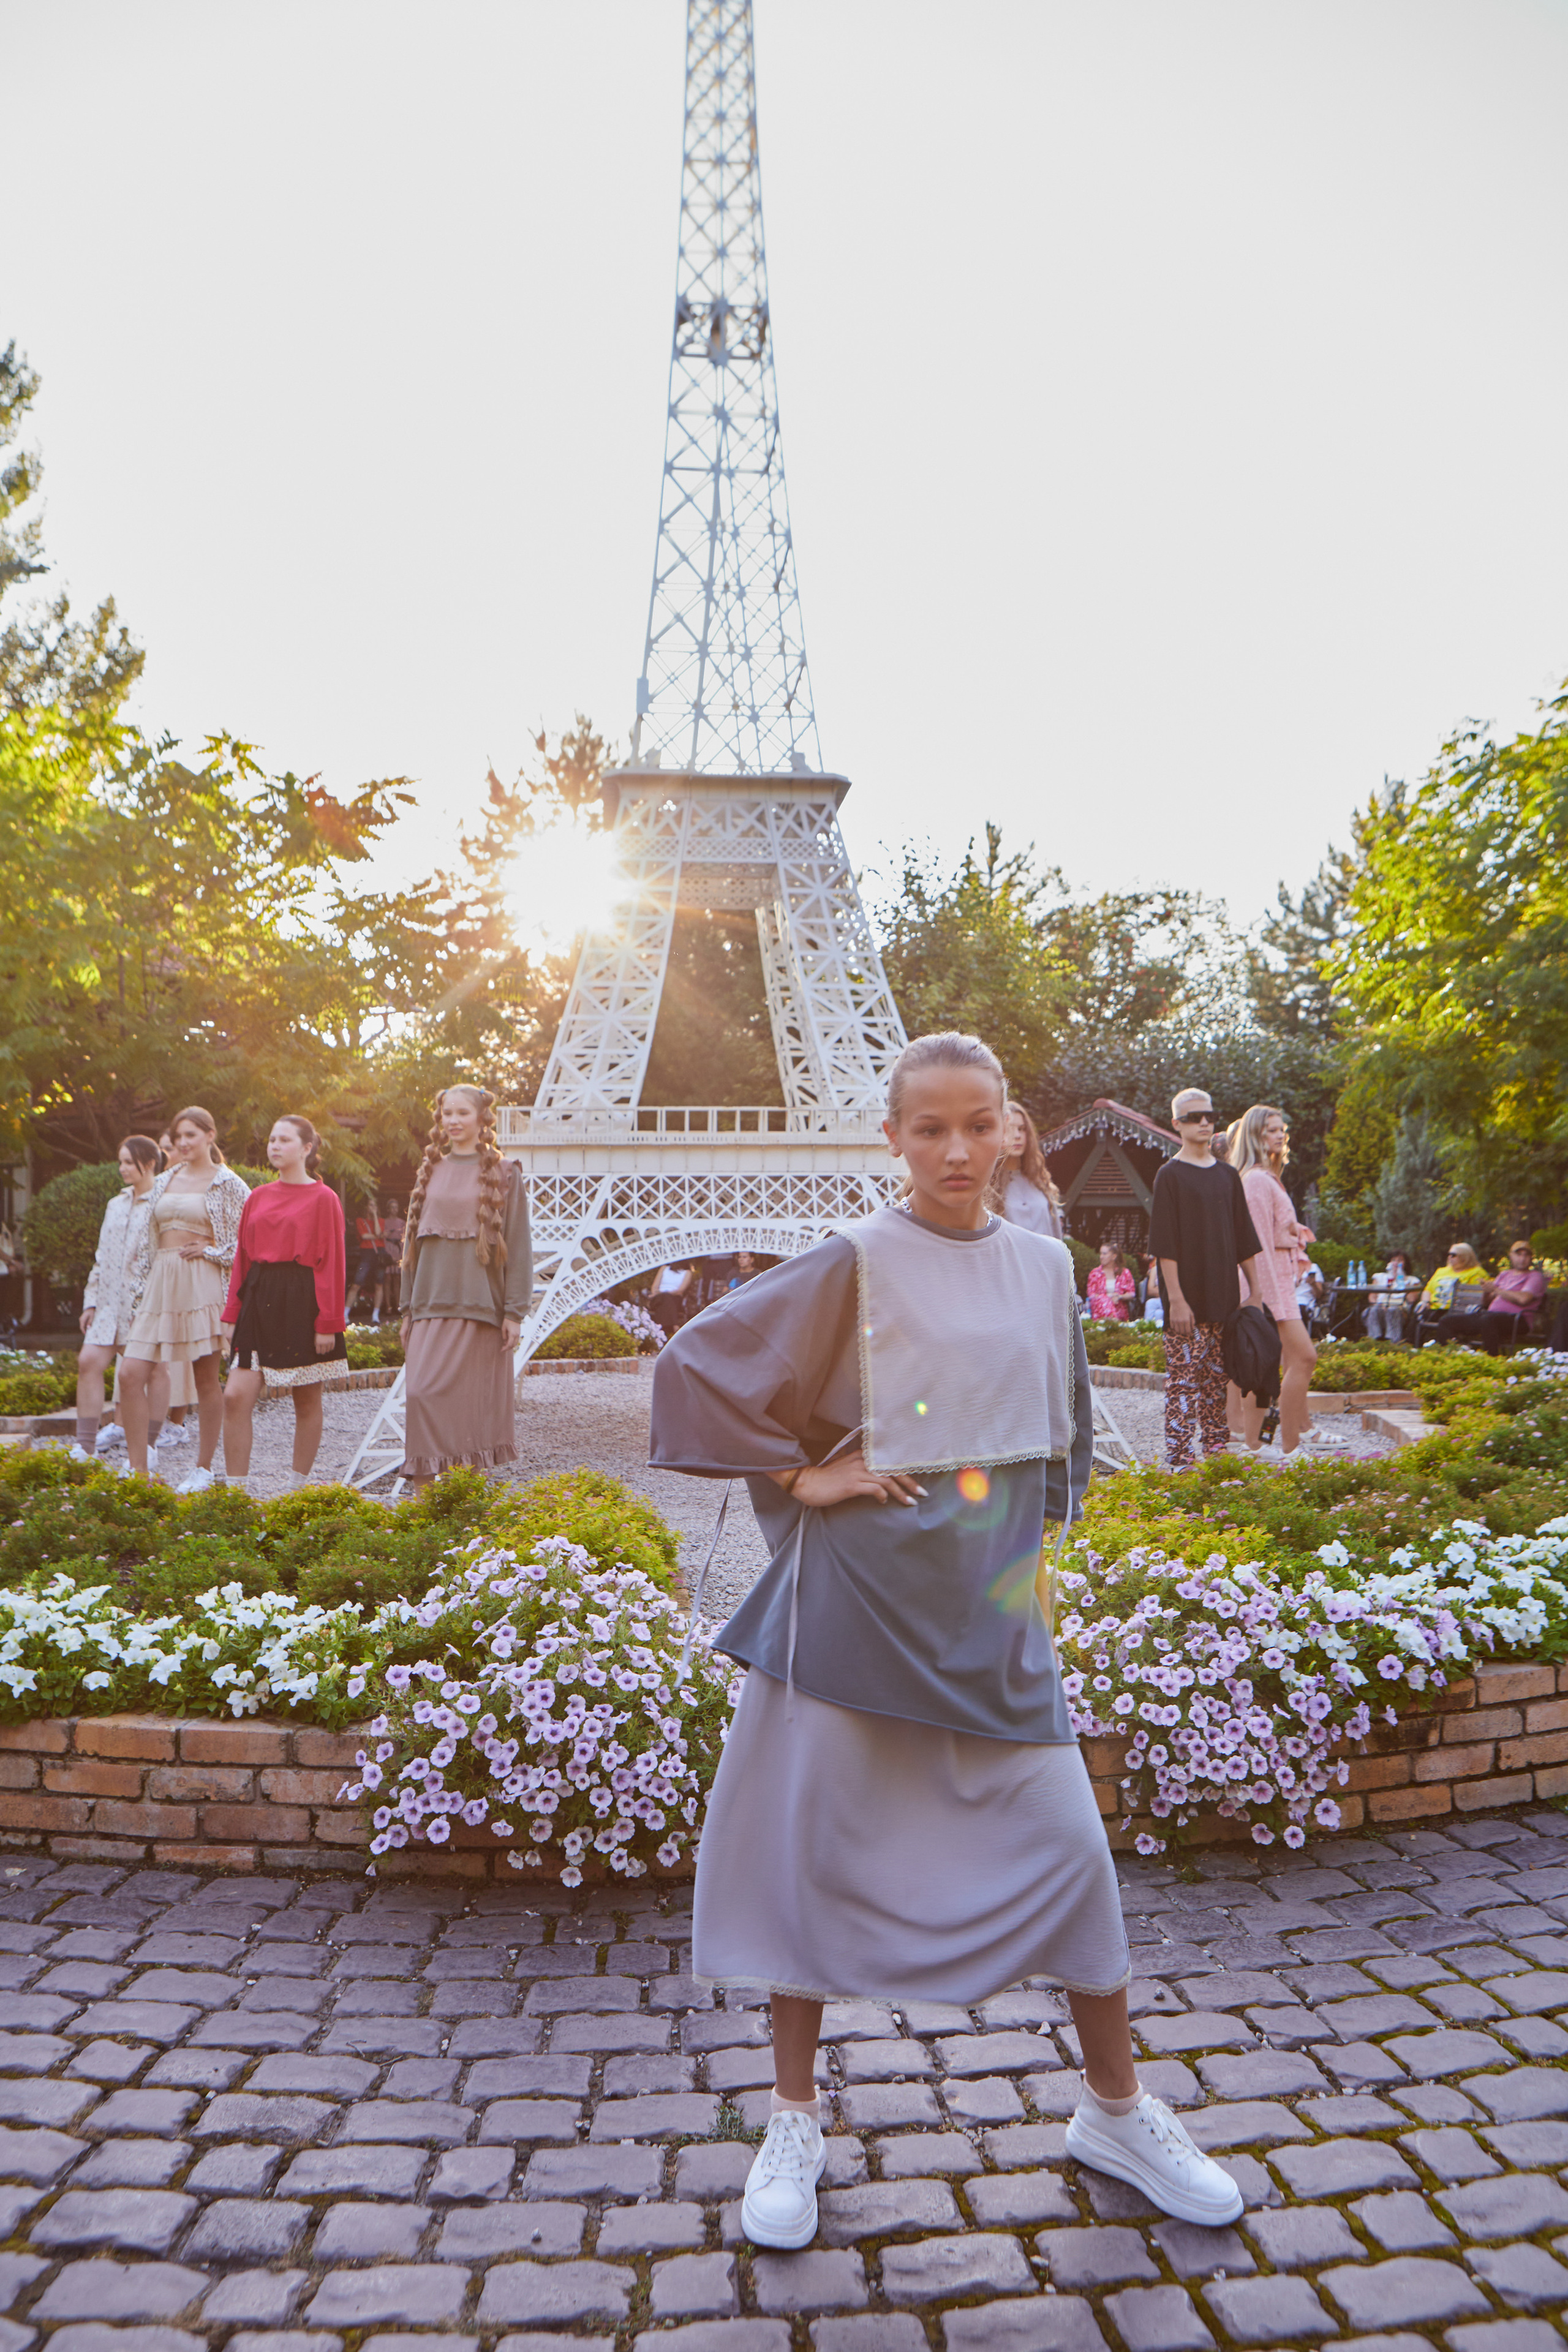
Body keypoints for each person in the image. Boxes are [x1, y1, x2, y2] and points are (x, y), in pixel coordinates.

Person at [650, 1029, 1244, 2253]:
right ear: (892, 1138)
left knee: (1074, 1861)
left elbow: (1062, 1425)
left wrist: (1027, 1569)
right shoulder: (851, 1259)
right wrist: (801, 1475)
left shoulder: (1042, 1264)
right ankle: (793, 2115)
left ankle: (1115, 2113)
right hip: (850, 1615)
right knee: (810, 1863)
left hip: (988, 1619)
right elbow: (698, 1362)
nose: (957, 1150)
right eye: (929, 1128)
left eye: (979, 1124)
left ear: (1011, 1129)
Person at [399, 1085, 531, 1490]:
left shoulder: (505, 1174)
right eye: (447, 1114)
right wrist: (407, 1308)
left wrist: (513, 1312)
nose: (453, 1121)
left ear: (480, 1119)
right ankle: (422, 1511)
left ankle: (466, 1511)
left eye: (462, 1113)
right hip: (429, 1307)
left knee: (469, 1412)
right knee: (420, 1396)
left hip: (480, 1310)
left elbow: (519, 1246)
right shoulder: (429, 1171)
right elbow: (411, 1246)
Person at [120, 1107, 249, 1491]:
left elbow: (246, 1243)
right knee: (130, 1374)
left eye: (191, 1135)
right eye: (179, 1137)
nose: (183, 1143)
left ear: (211, 1136)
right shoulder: (163, 1180)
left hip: (202, 1284)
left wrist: (211, 1253)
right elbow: (147, 1239)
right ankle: (138, 1470)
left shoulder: (229, 1183)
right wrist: (137, 1291)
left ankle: (203, 1469)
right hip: (161, 1282)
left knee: (206, 1379)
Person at [220, 1116, 347, 1494]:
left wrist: (328, 1322)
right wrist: (230, 1314)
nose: (275, 1146)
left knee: (306, 1399)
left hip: (302, 1301)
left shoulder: (325, 1199)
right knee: (235, 1395)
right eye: (272, 1139)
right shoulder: (257, 1196)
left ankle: (296, 1491)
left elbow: (333, 1263)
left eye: (285, 1140)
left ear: (307, 1148)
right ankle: (235, 1496)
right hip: (258, 1299)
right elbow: (242, 1259)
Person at [1149, 1090, 1265, 1470]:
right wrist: (1177, 1300)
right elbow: (1164, 1246)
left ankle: (1216, 1460)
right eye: (1194, 1116)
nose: (1204, 1122)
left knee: (1217, 1383)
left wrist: (1256, 1291)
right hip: (1187, 1303)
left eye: (1210, 1116)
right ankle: (1181, 1461)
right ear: (1177, 1124)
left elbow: (1245, 1240)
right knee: (1183, 1384)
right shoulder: (1169, 1177)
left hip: (1226, 1300)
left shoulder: (1228, 1176)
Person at [1227, 1104, 1329, 1457]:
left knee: (1274, 1366)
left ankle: (1268, 1447)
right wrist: (1261, 1297)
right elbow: (1254, 1243)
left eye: (1281, 1128)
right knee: (1301, 1358)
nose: (1280, 1135)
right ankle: (1284, 1448)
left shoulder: (1267, 1177)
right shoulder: (1255, 1180)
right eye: (1272, 1130)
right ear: (1255, 1135)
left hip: (1278, 1286)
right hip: (1269, 1290)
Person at [72, 1136, 165, 1462]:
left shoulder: (163, 1202)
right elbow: (102, 1258)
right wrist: (91, 1302)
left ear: (150, 1163)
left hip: (146, 1306)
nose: (122, 1168)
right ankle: (85, 1448)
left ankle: (149, 1447)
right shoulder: (116, 1204)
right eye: (121, 1161)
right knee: (88, 1363)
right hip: (109, 1305)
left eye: (129, 1162)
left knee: (153, 1372)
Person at [992, 1101, 1065, 1237]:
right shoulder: (988, 1186)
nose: (1017, 1135)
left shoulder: (1040, 1181)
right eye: (1010, 1129)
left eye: (1022, 1129)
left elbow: (1057, 1237)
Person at [1477, 1242, 1548, 1355]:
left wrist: (1496, 1290)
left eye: (1526, 1255)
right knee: (1448, 1321)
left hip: (1518, 1320)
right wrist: (1487, 1291)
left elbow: (1524, 1299)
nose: (1522, 1259)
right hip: (1490, 1317)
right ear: (1511, 1256)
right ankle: (1450, 1363)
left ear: (1530, 1258)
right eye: (1519, 1255)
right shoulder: (1504, 1275)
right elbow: (1486, 1304)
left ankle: (1492, 1362)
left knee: (1488, 1320)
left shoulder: (1535, 1276)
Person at [1419, 1243, 1489, 1342]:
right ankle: (1409, 1346)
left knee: (1443, 1320)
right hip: (1434, 1308)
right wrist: (1425, 1302)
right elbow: (1428, 1290)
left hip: (1458, 1310)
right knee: (1419, 1314)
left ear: (1465, 1257)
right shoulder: (1441, 1271)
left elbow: (1476, 1297)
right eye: (1449, 1254)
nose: (1450, 1257)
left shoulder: (1477, 1273)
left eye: (1453, 1255)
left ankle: (1442, 1349)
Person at [345, 1199, 387, 1323]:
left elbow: (379, 1232)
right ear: (366, 1207)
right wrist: (378, 1236)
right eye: (370, 1205)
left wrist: (375, 1216)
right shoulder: (360, 1221)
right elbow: (364, 1236)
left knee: (379, 1284)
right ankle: (345, 1314)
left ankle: (375, 1315)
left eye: (375, 1205)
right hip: (367, 1253)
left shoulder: (381, 1221)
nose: (372, 1207)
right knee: (357, 1283)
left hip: (379, 1253)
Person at [1365, 1251, 1416, 1343]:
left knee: (1392, 1310)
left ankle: (1393, 1343)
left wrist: (1403, 1280)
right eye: (1393, 1260)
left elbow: (1412, 1299)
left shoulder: (1412, 1280)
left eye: (1400, 1260)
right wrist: (1380, 1305)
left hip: (1399, 1310)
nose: (1396, 1263)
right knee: (1374, 1309)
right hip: (1381, 1308)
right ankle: (1374, 1342)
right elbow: (1372, 1297)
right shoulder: (1380, 1277)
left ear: (1405, 1263)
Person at [1087, 1242, 1136, 1321]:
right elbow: (1092, 1295)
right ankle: (1113, 1322)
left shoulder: (1124, 1273)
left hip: (1119, 1308)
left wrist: (1120, 1297)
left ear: (1114, 1256)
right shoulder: (1095, 1273)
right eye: (1101, 1254)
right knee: (1104, 1300)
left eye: (1105, 1254)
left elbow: (1132, 1293)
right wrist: (1107, 1299)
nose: (1101, 1257)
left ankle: (1113, 1322)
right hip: (1100, 1310)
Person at [648, 1262, 695, 1336]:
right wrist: (660, 1293)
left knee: (666, 1300)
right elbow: (654, 1287)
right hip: (659, 1298)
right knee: (664, 1298)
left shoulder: (687, 1273)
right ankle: (675, 1324)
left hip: (675, 1299)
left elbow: (680, 1290)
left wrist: (667, 1293)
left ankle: (661, 1332)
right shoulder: (664, 1268)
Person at [379, 1198, 406, 1318]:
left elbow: (404, 1239)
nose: (395, 1210)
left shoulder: (402, 1222)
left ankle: (398, 1306)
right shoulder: (384, 1222)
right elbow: (383, 1238)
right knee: (388, 1278)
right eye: (392, 1207)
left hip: (398, 1249)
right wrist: (387, 1253)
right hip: (388, 1249)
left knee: (397, 1279)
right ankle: (388, 1307)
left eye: (397, 1207)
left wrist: (401, 1255)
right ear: (388, 1209)